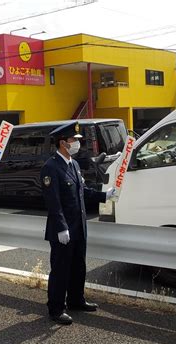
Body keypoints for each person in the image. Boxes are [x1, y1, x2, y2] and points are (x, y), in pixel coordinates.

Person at [40, 121, 116, 325]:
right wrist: (61, 228)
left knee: (78, 266)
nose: (77, 143)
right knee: (61, 269)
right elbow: (53, 202)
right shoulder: (51, 167)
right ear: (63, 143)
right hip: (62, 230)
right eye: (74, 140)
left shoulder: (72, 164)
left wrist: (104, 195)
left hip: (79, 226)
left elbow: (82, 192)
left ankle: (76, 300)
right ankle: (56, 308)